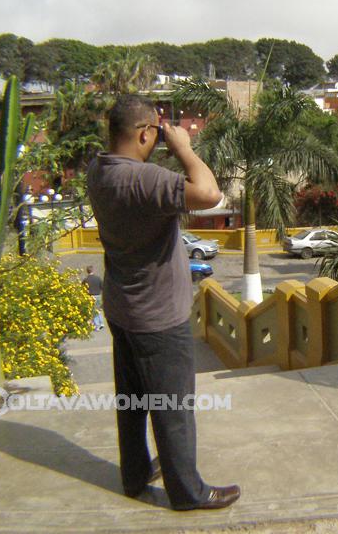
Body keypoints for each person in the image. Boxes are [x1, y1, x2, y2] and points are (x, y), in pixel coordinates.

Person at [86, 94, 240, 511]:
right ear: (143, 134)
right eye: (154, 133)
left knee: (133, 402)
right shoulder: (143, 179)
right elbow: (209, 194)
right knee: (172, 408)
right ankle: (188, 492)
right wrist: (185, 148)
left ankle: (134, 475)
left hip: (122, 308)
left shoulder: (98, 171)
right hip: (158, 318)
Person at [81, 265, 104, 330]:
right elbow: (102, 287)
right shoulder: (98, 278)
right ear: (93, 270)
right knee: (98, 310)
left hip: (90, 296)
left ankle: (97, 325)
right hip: (98, 296)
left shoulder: (86, 280)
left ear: (87, 271)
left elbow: (82, 288)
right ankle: (101, 323)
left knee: (93, 311)